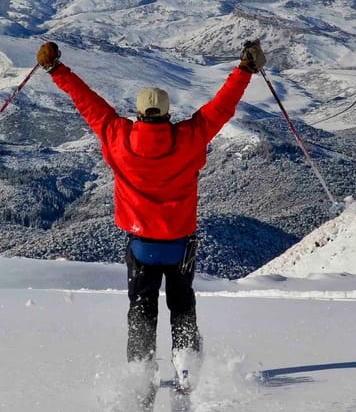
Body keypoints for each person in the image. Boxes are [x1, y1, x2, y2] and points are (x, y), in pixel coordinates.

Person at [37, 39, 267, 386]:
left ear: (139, 113)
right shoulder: (189, 138)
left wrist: (57, 70)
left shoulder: (118, 136)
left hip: (140, 243)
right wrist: (244, 70)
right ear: (168, 113)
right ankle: (186, 363)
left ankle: (141, 369)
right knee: (182, 305)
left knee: (142, 309)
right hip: (180, 243)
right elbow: (221, 107)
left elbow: (88, 103)